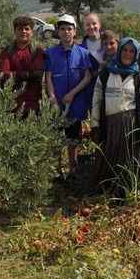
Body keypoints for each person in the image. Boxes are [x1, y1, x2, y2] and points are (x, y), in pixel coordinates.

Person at [89, 37, 140, 195]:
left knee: (128, 156)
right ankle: (108, 189)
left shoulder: (138, 76)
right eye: (125, 50)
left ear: (136, 54)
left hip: (130, 123)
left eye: (132, 51)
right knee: (109, 155)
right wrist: (95, 122)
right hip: (110, 123)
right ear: (119, 51)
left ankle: (125, 190)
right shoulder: (106, 73)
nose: (128, 54)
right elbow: (97, 98)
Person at [44, 14, 93, 174]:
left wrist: (72, 93)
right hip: (56, 103)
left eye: (69, 29)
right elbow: (48, 77)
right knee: (56, 138)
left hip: (76, 102)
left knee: (73, 138)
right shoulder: (51, 53)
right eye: (62, 29)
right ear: (58, 31)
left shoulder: (83, 53)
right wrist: (51, 97)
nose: (66, 32)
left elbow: (87, 77)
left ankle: (73, 168)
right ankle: (57, 171)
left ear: (75, 31)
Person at [0, 16, 44, 116]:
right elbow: (4, 75)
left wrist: (15, 75)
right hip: (12, 105)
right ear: (15, 31)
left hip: (33, 105)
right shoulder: (7, 51)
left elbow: (38, 74)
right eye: (20, 29)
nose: (23, 32)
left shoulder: (37, 51)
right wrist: (27, 75)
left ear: (32, 31)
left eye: (27, 29)